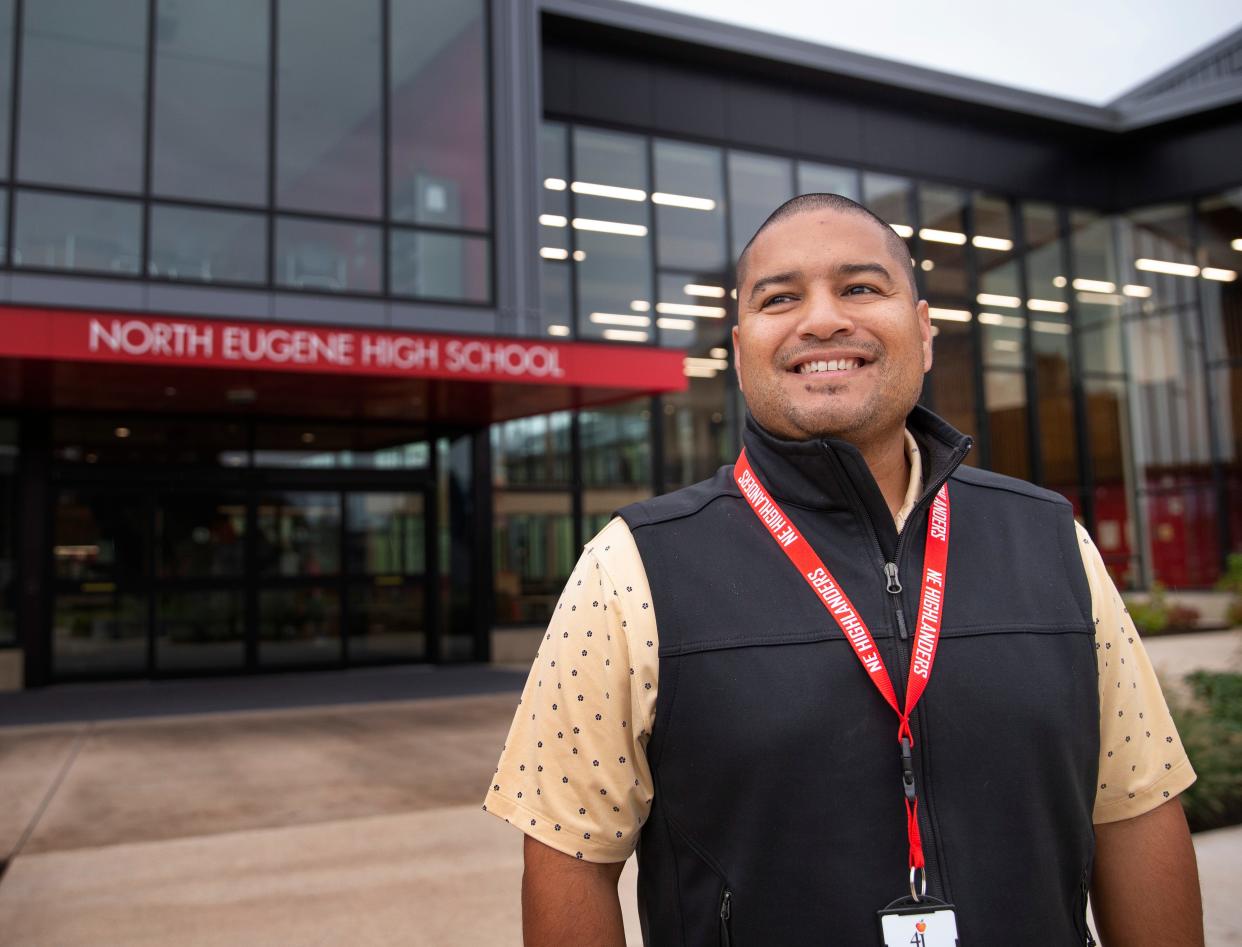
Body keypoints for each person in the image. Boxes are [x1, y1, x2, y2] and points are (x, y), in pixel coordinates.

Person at [484, 194, 1203, 945]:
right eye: (780, 297)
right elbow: (571, 860)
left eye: (860, 287)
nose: (822, 319)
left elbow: (1136, 808)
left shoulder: (1055, 540)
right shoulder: (631, 566)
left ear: (924, 333)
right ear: (740, 347)